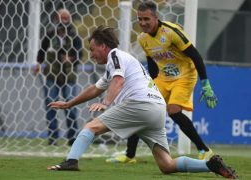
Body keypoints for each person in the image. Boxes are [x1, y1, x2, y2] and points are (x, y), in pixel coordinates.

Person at [46, 25, 237, 179]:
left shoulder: (115, 55)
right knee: (167, 165)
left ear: (103, 46)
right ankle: (210, 165)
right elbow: (95, 88)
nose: (91, 54)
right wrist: (69, 103)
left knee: (90, 127)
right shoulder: (118, 62)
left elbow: (118, 81)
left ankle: (71, 161)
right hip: (157, 108)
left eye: (92, 49)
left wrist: (105, 103)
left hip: (139, 104)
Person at [106, 1, 217, 163]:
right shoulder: (143, 39)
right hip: (164, 77)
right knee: (141, 105)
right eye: (140, 19)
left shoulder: (171, 32)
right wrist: (148, 84)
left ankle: (204, 150)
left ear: (156, 18)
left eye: (147, 19)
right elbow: (152, 63)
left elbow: (195, 55)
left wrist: (205, 83)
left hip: (185, 75)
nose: (143, 23)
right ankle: (130, 155)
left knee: (173, 110)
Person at [34, 9, 82, 146]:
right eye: (62, 17)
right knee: (50, 105)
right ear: (57, 18)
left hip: (69, 76)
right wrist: (39, 63)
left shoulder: (74, 36)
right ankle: (53, 138)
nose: (65, 20)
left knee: (71, 106)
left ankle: (72, 138)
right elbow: (42, 50)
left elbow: (80, 54)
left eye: (67, 17)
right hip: (52, 74)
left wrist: (71, 58)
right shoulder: (50, 34)